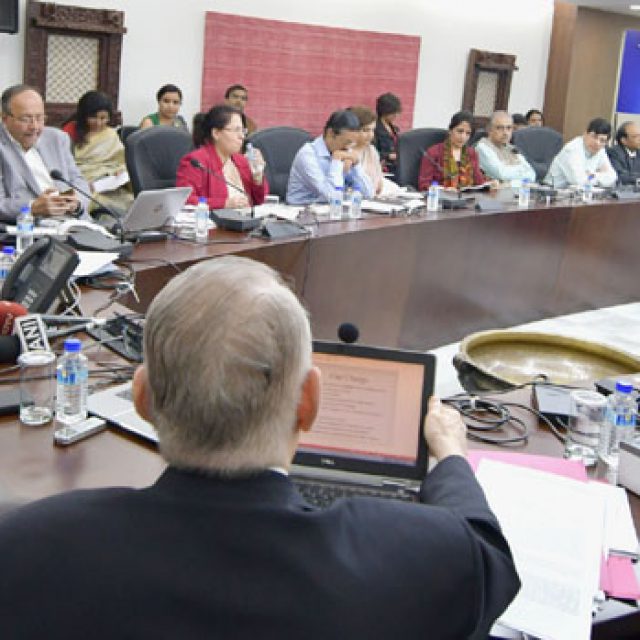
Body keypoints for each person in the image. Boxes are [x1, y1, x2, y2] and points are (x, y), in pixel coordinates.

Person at [0, 255, 520, 638]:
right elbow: (488, 554)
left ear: (142, 399)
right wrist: (449, 453)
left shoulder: (26, 544)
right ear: (309, 403)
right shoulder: (416, 556)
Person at [0, 84, 88, 222]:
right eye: (26, 119)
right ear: (5, 118)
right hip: (29, 230)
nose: (34, 126)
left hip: (73, 224)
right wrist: (32, 207)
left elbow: (78, 181)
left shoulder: (57, 138)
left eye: (40, 118)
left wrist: (77, 203)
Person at [176, 104, 268, 209]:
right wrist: (223, 204)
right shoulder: (196, 162)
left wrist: (258, 178)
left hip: (245, 221)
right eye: (236, 130)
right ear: (216, 133)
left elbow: (258, 201)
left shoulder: (241, 161)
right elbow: (186, 200)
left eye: (243, 131)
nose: (242, 136)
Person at [62, 90, 133, 216]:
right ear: (84, 115)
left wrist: (120, 171)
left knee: (129, 202)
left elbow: (120, 161)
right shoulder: (70, 131)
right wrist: (83, 183)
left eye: (103, 118)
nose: (99, 123)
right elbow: (64, 165)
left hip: (109, 185)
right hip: (82, 184)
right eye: (93, 117)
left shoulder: (110, 134)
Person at [286, 110, 374, 205]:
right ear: (331, 133)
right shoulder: (308, 154)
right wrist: (336, 161)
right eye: (347, 142)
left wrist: (356, 165)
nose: (349, 147)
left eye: (352, 143)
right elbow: (332, 196)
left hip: (330, 211)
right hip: (301, 210)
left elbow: (368, 194)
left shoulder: (345, 150)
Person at [418, 110, 492, 191]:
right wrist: (444, 190)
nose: (463, 137)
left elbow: (479, 182)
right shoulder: (433, 153)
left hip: (467, 199)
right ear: (450, 130)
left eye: (468, 133)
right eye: (460, 131)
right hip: (440, 199)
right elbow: (423, 185)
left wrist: (490, 184)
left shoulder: (471, 154)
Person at [544, 117, 617, 188]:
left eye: (602, 140)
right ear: (585, 134)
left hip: (578, 194)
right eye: (594, 137)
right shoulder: (572, 149)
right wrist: (600, 176)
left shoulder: (600, 150)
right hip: (553, 192)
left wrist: (592, 175)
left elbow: (613, 177)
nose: (597, 143)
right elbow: (579, 181)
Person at [475, 111, 536, 184]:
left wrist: (511, 180)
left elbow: (532, 174)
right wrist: (521, 171)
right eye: (500, 128)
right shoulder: (482, 148)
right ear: (489, 130)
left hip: (514, 192)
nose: (505, 133)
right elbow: (501, 174)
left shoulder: (511, 148)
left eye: (509, 128)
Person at [347, 105, 384, 195]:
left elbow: (379, 184)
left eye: (372, 130)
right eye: (365, 130)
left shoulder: (371, 150)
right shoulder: (343, 152)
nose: (370, 135)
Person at [373, 92, 402, 177]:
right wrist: (388, 155)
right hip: (381, 167)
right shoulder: (374, 129)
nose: (396, 115)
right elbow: (371, 151)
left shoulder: (395, 129)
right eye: (393, 113)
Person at [606, 121, 640, 186]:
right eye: (635, 136)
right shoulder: (614, 152)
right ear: (624, 140)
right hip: (621, 192)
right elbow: (620, 175)